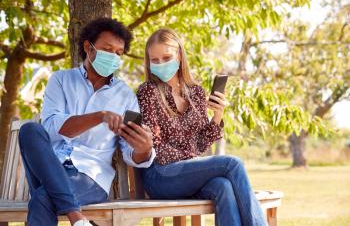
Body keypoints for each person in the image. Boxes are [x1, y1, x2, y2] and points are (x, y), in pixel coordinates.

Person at [18, 18, 155, 226]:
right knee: (30, 130)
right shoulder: (61, 80)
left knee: (42, 198)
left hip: (91, 176)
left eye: (119, 53)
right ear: (88, 47)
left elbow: (130, 152)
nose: (114, 57)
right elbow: (51, 128)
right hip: (49, 168)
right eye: (108, 49)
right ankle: (77, 217)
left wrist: (144, 149)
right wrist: (99, 116)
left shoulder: (126, 96)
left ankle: (75, 216)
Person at [136, 28, 268, 226]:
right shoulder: (147, 92)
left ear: (179, 56)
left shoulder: (196, 92)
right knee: (232, 164)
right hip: (161, 176)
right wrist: (194, 160)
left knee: (223, 186)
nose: (161, 64)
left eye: (166, 57)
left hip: (189, 174)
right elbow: (155, 146)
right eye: (155, 60)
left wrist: (217, 115)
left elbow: (200, 143)